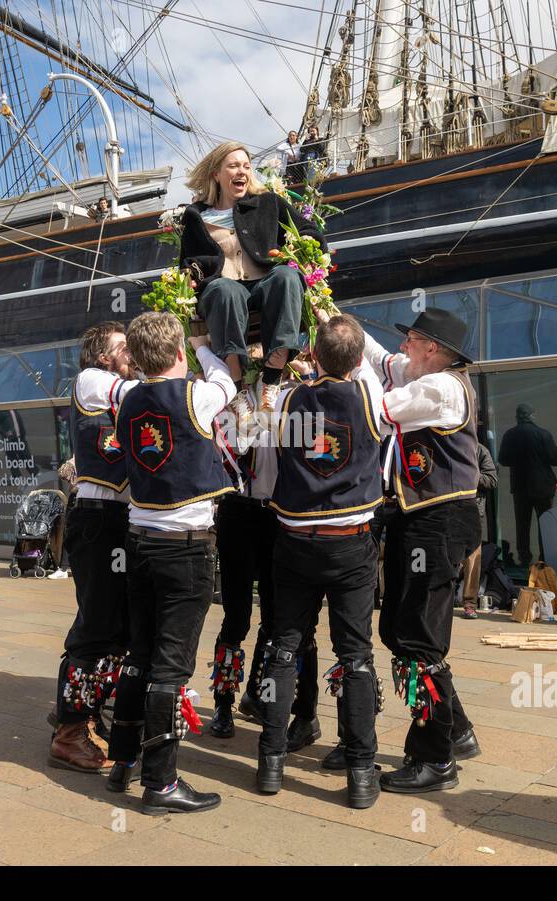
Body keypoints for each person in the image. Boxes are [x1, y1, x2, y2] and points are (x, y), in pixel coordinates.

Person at [105, 313, 236, 814]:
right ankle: (160, 783)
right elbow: (225, 381)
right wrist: (204, 346)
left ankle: (123, 761)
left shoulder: (125, 398)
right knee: (171, 666)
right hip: (185, 544)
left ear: (135, 358)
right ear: (178, 352)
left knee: (140, 652)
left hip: (139, 539)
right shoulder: (196, 395)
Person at [255, 314, 386, 808]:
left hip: (294, 537)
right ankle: (360, 772)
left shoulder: (289, 398)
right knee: (354, 654)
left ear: (314, 355)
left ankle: (270, 761)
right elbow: (378, 367)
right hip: (350, 540)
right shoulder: (369, 396)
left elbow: (263, 450)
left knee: (283, 648)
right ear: (355, 361)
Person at [363, 307, 482, 794]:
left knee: (418, 636)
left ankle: (435, 759)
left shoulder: (441, 388)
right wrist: (326, 311)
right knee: (398, 627)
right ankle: (457, 729)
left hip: (439, 521)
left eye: (410, 341)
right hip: (420, 519)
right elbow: (381, 359)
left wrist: (335, 376)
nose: (403, 349)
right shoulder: (425, 375)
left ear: (431, 347)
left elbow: (380, 408)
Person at [178, 141, 327, 414]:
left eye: (246, 166)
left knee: (286, 277)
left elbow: (310, 230)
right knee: (224, 290)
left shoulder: (268, 203)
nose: (242, 172)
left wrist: (300, 243)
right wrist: (191, 277)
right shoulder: (196, 217)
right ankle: (236, 387)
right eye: (234, 166)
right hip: (223, 286)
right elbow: (186, 263)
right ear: (216, 174)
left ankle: (271, 379)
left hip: (264, 282)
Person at [209, 389, 321, 749]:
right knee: (236, 618)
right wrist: (254, 404)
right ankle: (223, 704)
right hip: (239, 510)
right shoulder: (235, 401)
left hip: (278, 514)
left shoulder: (297, 397)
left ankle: (260, 693)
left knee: (276, 620)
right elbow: (230, 444)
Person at [47, 322, 136, 773]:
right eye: (124, 347)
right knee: (96, 627)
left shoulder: (127, 385)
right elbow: (144, 396)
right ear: (103, 356)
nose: (132, 353)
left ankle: (82, 709)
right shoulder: (92, 380)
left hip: (121, 520)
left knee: (115, 626)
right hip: (98, 519)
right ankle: (69, 732)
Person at [496, 403, 557, 568]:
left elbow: (503, 460)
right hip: (543, 487)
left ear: (517, 417)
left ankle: (524, 558)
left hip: (520, 487)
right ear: (532, 416)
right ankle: (544, 558)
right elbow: (555, 459)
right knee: (545, 523)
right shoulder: (542, 434)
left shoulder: (509, 435)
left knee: (522, 525)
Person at [459, 441, 498, 618]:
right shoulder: (443, 445)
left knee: (472, 559)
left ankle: (469, 603)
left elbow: (491, 480)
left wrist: (470, 476)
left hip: (473, 511)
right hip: (446, 510)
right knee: (444, 556)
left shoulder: (480, 449)